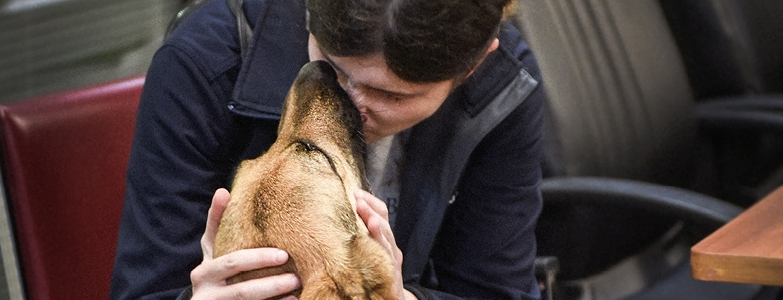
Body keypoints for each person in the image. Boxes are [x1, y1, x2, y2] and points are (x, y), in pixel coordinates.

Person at [109, 0, 546, 298]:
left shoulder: (503, 85)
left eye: (391, 96)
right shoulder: (198, 68)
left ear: (475, 65)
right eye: (331, 67)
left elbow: (494, 288)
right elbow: (148, 288)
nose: (353, 104)